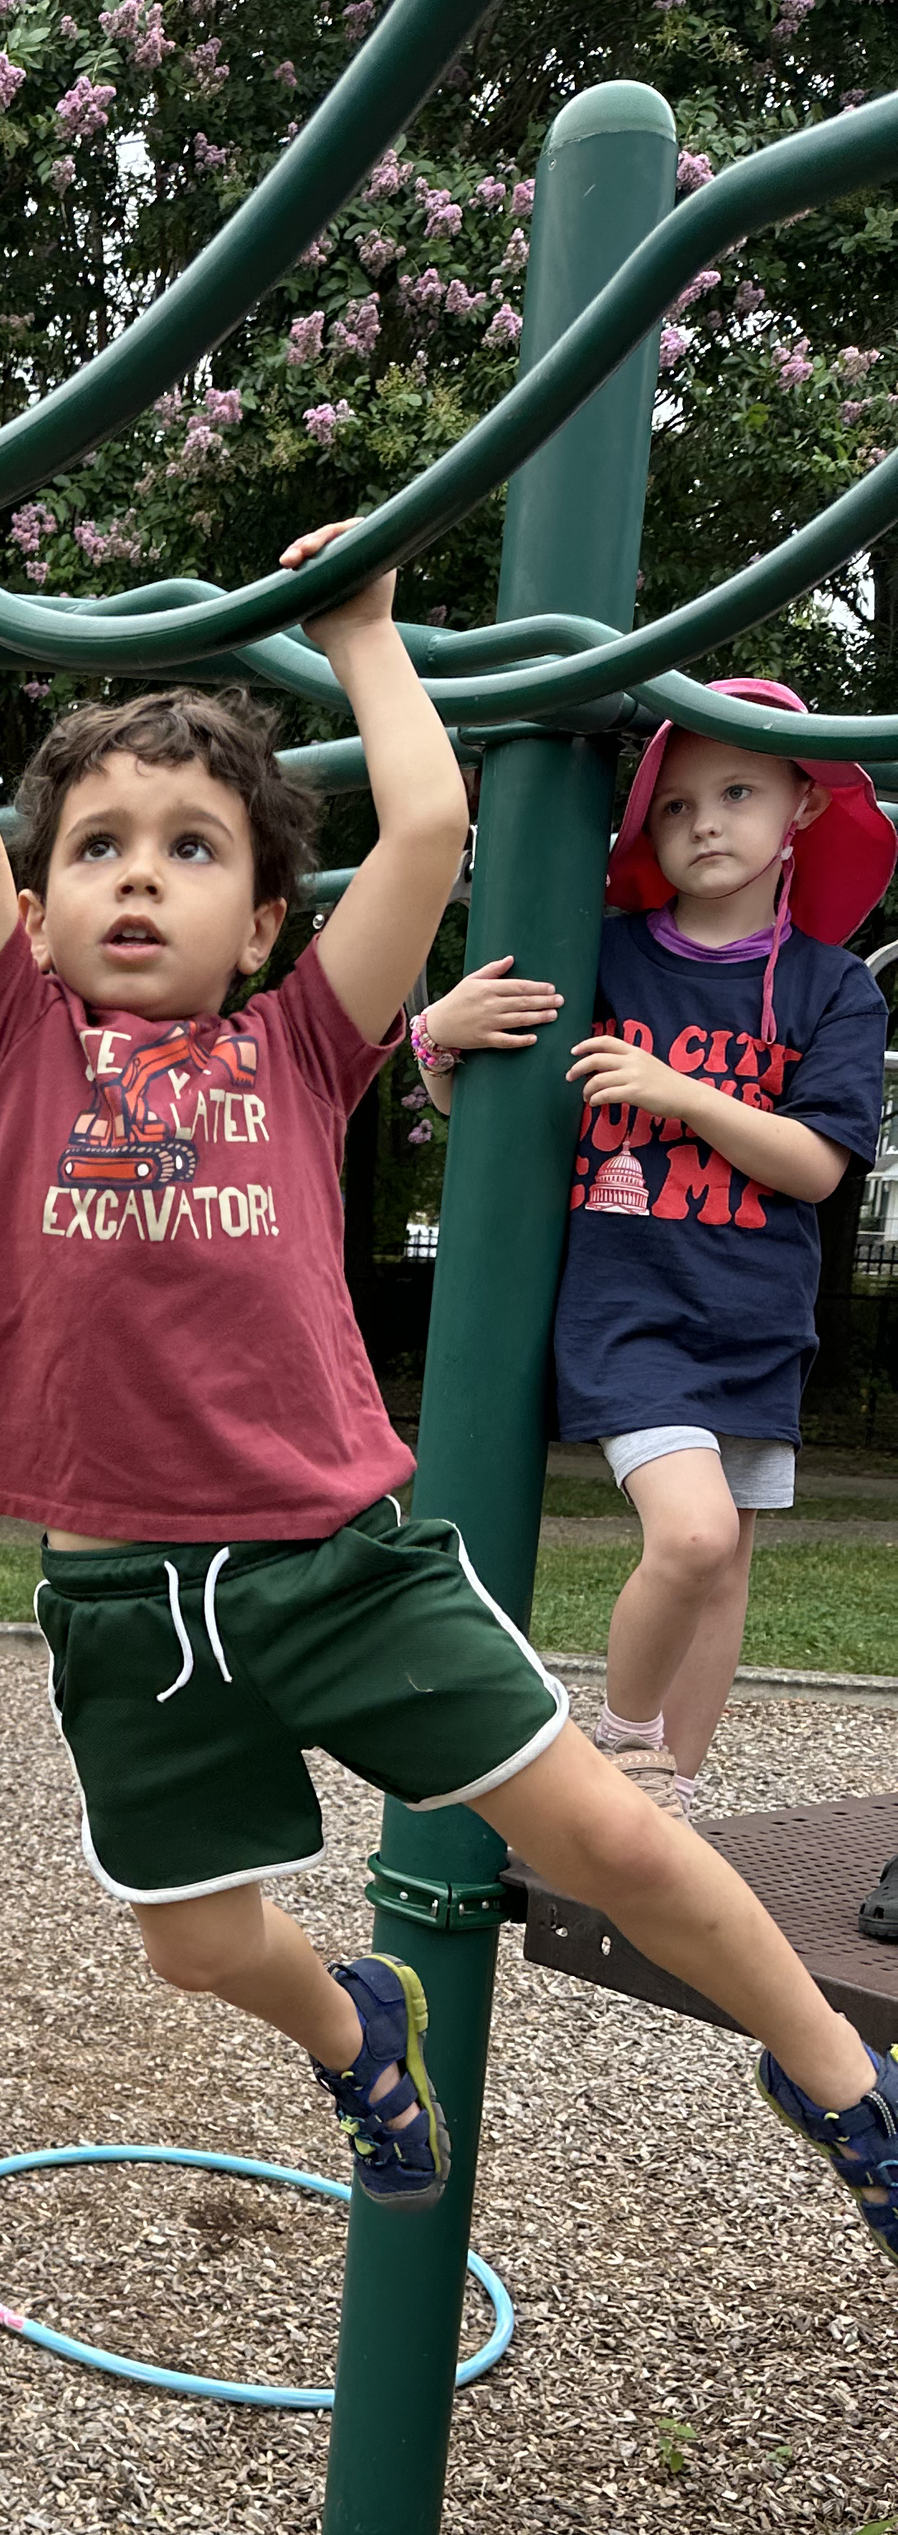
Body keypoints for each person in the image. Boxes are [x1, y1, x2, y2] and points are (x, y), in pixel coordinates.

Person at [0, 438, 898, 2277]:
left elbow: (429, 834)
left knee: (601, 1832)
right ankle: (353, 2027)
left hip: (338, 1557)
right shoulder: (8, 1044)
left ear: (263, 922)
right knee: (194, 1936)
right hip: (129, 1599)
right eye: (95, 850)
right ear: (44, 900)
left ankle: (841, 2079)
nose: (136, 881)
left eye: (191, 849)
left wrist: (366, 633)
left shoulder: (304, 1046)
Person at [415, 683, 893, 1816]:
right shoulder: (607, 956)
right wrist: (437, 1039)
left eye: (736, 794)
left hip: (756, 1317)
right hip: (628, 1312)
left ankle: (671, 1794)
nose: (704, 824)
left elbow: (817, 1166)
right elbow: (481, 1099)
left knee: (724, 1565)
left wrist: (679, 1094)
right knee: (691, 1534)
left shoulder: (830, 988)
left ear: (801, 815)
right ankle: (622, 1748)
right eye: (674, 806)